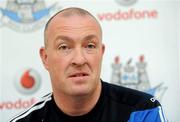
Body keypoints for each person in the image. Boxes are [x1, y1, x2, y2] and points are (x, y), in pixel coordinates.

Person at [9, 7, 167, 122]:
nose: (79, 59)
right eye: (64, 47)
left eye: (90, 46)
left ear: (101, 53)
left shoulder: (143, 111)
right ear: (45, 58)